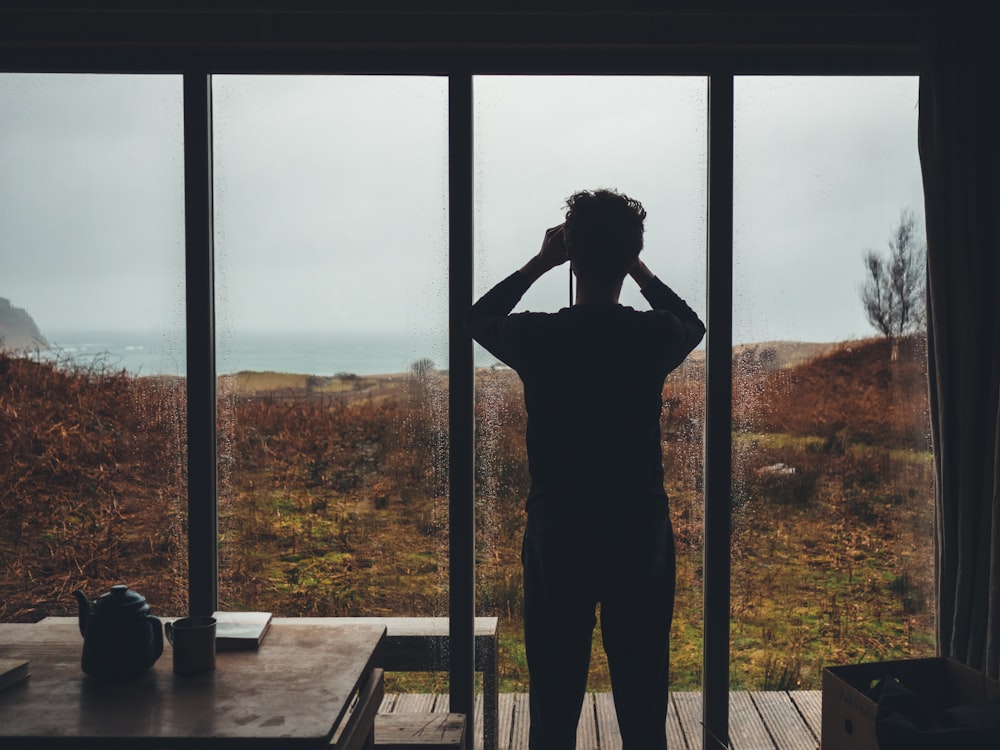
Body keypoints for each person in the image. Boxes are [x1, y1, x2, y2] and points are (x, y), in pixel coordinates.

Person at [466, 189, 705, 750]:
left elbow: (478, 318)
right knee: (643, 694)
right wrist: (637, 267)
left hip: (560, 532)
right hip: (637, 532)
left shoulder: (542, 337)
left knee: (553, 691)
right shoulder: (650, 336)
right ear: (628, 256)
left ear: (571, 257)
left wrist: (539, 262)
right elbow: (692, 324)